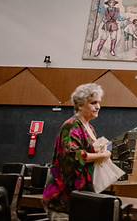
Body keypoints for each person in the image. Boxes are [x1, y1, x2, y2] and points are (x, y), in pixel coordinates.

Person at [43, 83, 112, 219]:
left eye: (98, 103)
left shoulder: (90, 128)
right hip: (63, 198)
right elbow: (73, 156)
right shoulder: (71, 125)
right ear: (80, 105)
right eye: (93, 103)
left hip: (81, 196)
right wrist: (101, 155)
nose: (98, 107)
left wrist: (102, 150)